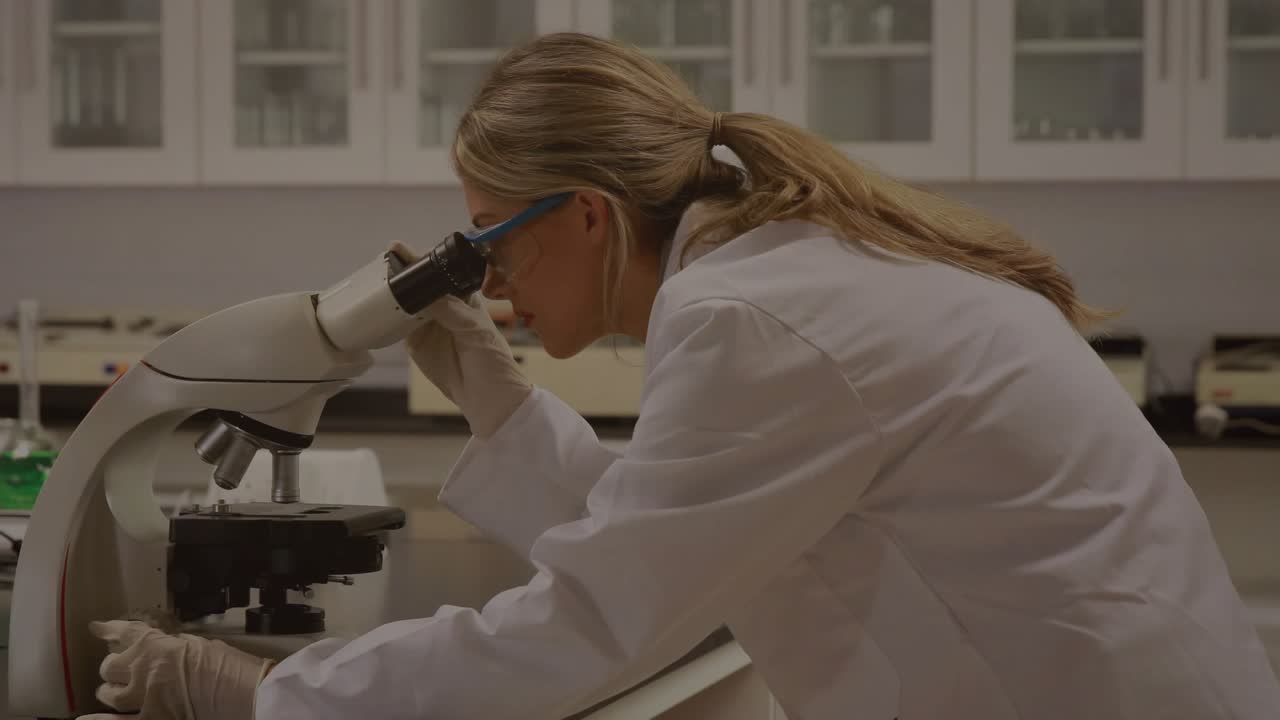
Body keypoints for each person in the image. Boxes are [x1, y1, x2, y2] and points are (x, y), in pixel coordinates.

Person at [83, 32, 1279, 720]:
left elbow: (593, 622)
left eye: (494, 235)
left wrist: (262, 699)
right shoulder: (791, 271)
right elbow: (670, 549)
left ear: (591, 217)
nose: (489, 277)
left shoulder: (751, 316)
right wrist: (501, 407)